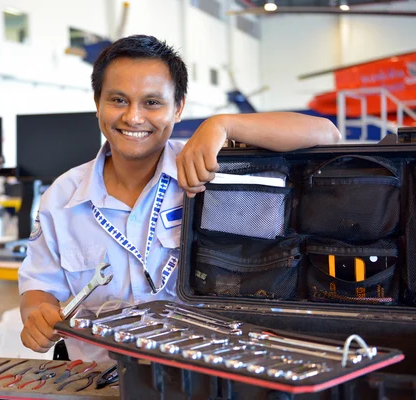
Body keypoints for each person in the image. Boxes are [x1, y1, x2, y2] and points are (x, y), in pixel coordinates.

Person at [18, 34, 341, 362]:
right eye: (118, 100)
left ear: (178, 107)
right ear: (97, 103)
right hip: (93, 377)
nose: (133, 117)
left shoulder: (211, 170)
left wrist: (222, 124)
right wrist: (37, 316)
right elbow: (39, 286)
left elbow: (326, 134)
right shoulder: (61, 198)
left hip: (197, 378)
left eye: (152, 103)